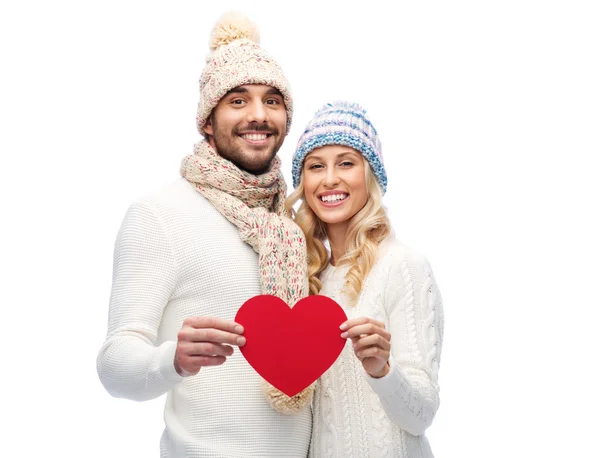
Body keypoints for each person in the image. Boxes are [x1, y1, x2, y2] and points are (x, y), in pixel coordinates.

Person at [96, 12, 312, 458]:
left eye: (272, 101)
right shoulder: (159, 214)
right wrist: (171, 358)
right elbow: (114, 365)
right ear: (208, 122)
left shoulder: (294, 224)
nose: (258, 115)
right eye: (237, 100)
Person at [286, 101, 444, 457]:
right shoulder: (310, 280)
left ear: (369, 175)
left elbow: (422, 415)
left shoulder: (404, 266)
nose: (329, 179)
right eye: (315, 166)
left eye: (346, 163)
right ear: (303, 182)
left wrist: (382, 370)